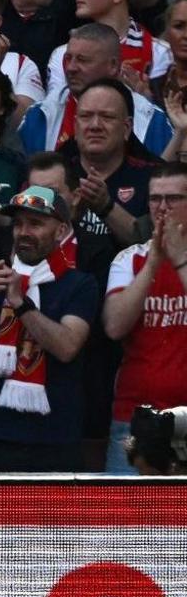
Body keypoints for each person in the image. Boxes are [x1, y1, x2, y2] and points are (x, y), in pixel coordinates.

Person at [0, 184, 102, 471]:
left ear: (60, 231)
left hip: (55, 439)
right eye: (18, 224)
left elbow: (67, 346)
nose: (23, 231)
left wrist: (20, 303)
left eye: (35, 223)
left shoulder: (80, 284)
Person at [103, 161, 187, 474]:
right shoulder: (129, 259)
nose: (162, 208)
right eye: (155, 199)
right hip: (136, 417)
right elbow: (114, 326)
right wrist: (152, 265)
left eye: (174, 199)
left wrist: (178, 259)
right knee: (125, 522)